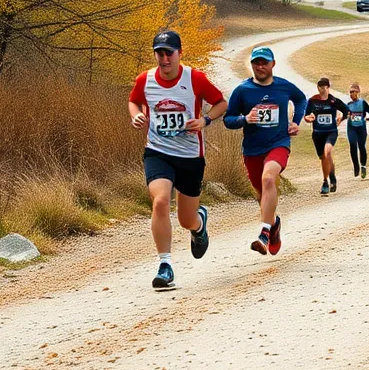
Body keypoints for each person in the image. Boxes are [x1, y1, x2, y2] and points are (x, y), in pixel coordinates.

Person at [128, 30, 227, 291]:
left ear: (179, 53)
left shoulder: (194, 78)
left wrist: (205, 120)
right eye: (159, 53)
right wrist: (136, 115)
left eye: (168, 53)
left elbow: (220, 103)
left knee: (186, 219)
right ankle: (165, 265)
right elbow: (134, 101)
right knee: (160, 200)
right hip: (158, 152)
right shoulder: (145, 79)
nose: (164, 59)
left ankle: (199, 224)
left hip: (190, 157)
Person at [224, 46, 308, 255]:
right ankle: (275, 225)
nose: (260, 67)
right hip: (252, 149)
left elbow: (301, 99)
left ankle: (264, 233)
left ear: (273, 64)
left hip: (278, 143)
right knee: (262, 195)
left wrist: (295, 122)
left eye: (264, 62)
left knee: (269, 179)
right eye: (256, 63)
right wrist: (245, 119)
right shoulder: (242, 91)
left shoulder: (283, 86)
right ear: (251, 64)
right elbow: (228, 119)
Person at [304, 77, 349, 195]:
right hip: (318, 133)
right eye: (320, 87)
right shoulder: (312, 100)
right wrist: (308, 119)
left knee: (327, 152)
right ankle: (332, 177)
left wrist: (342, 118)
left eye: (324, 87)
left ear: (328, 88)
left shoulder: (333, 101)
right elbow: (306, 115)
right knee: (324, 158)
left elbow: (346, 110)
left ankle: (325, 182)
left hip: (331, 132)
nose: (322, 89)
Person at [345, 82, 369, 178]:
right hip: (351, 128)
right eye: (350, 92)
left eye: (354, 92)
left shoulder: (362, 103)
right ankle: (356, 166)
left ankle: (363, 166)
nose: (352, 94)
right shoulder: (348, 105)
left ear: (358, 92)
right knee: (353, 145)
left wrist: (368, 118)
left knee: (361, 146)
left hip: (361, 128)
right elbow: (343, 115)